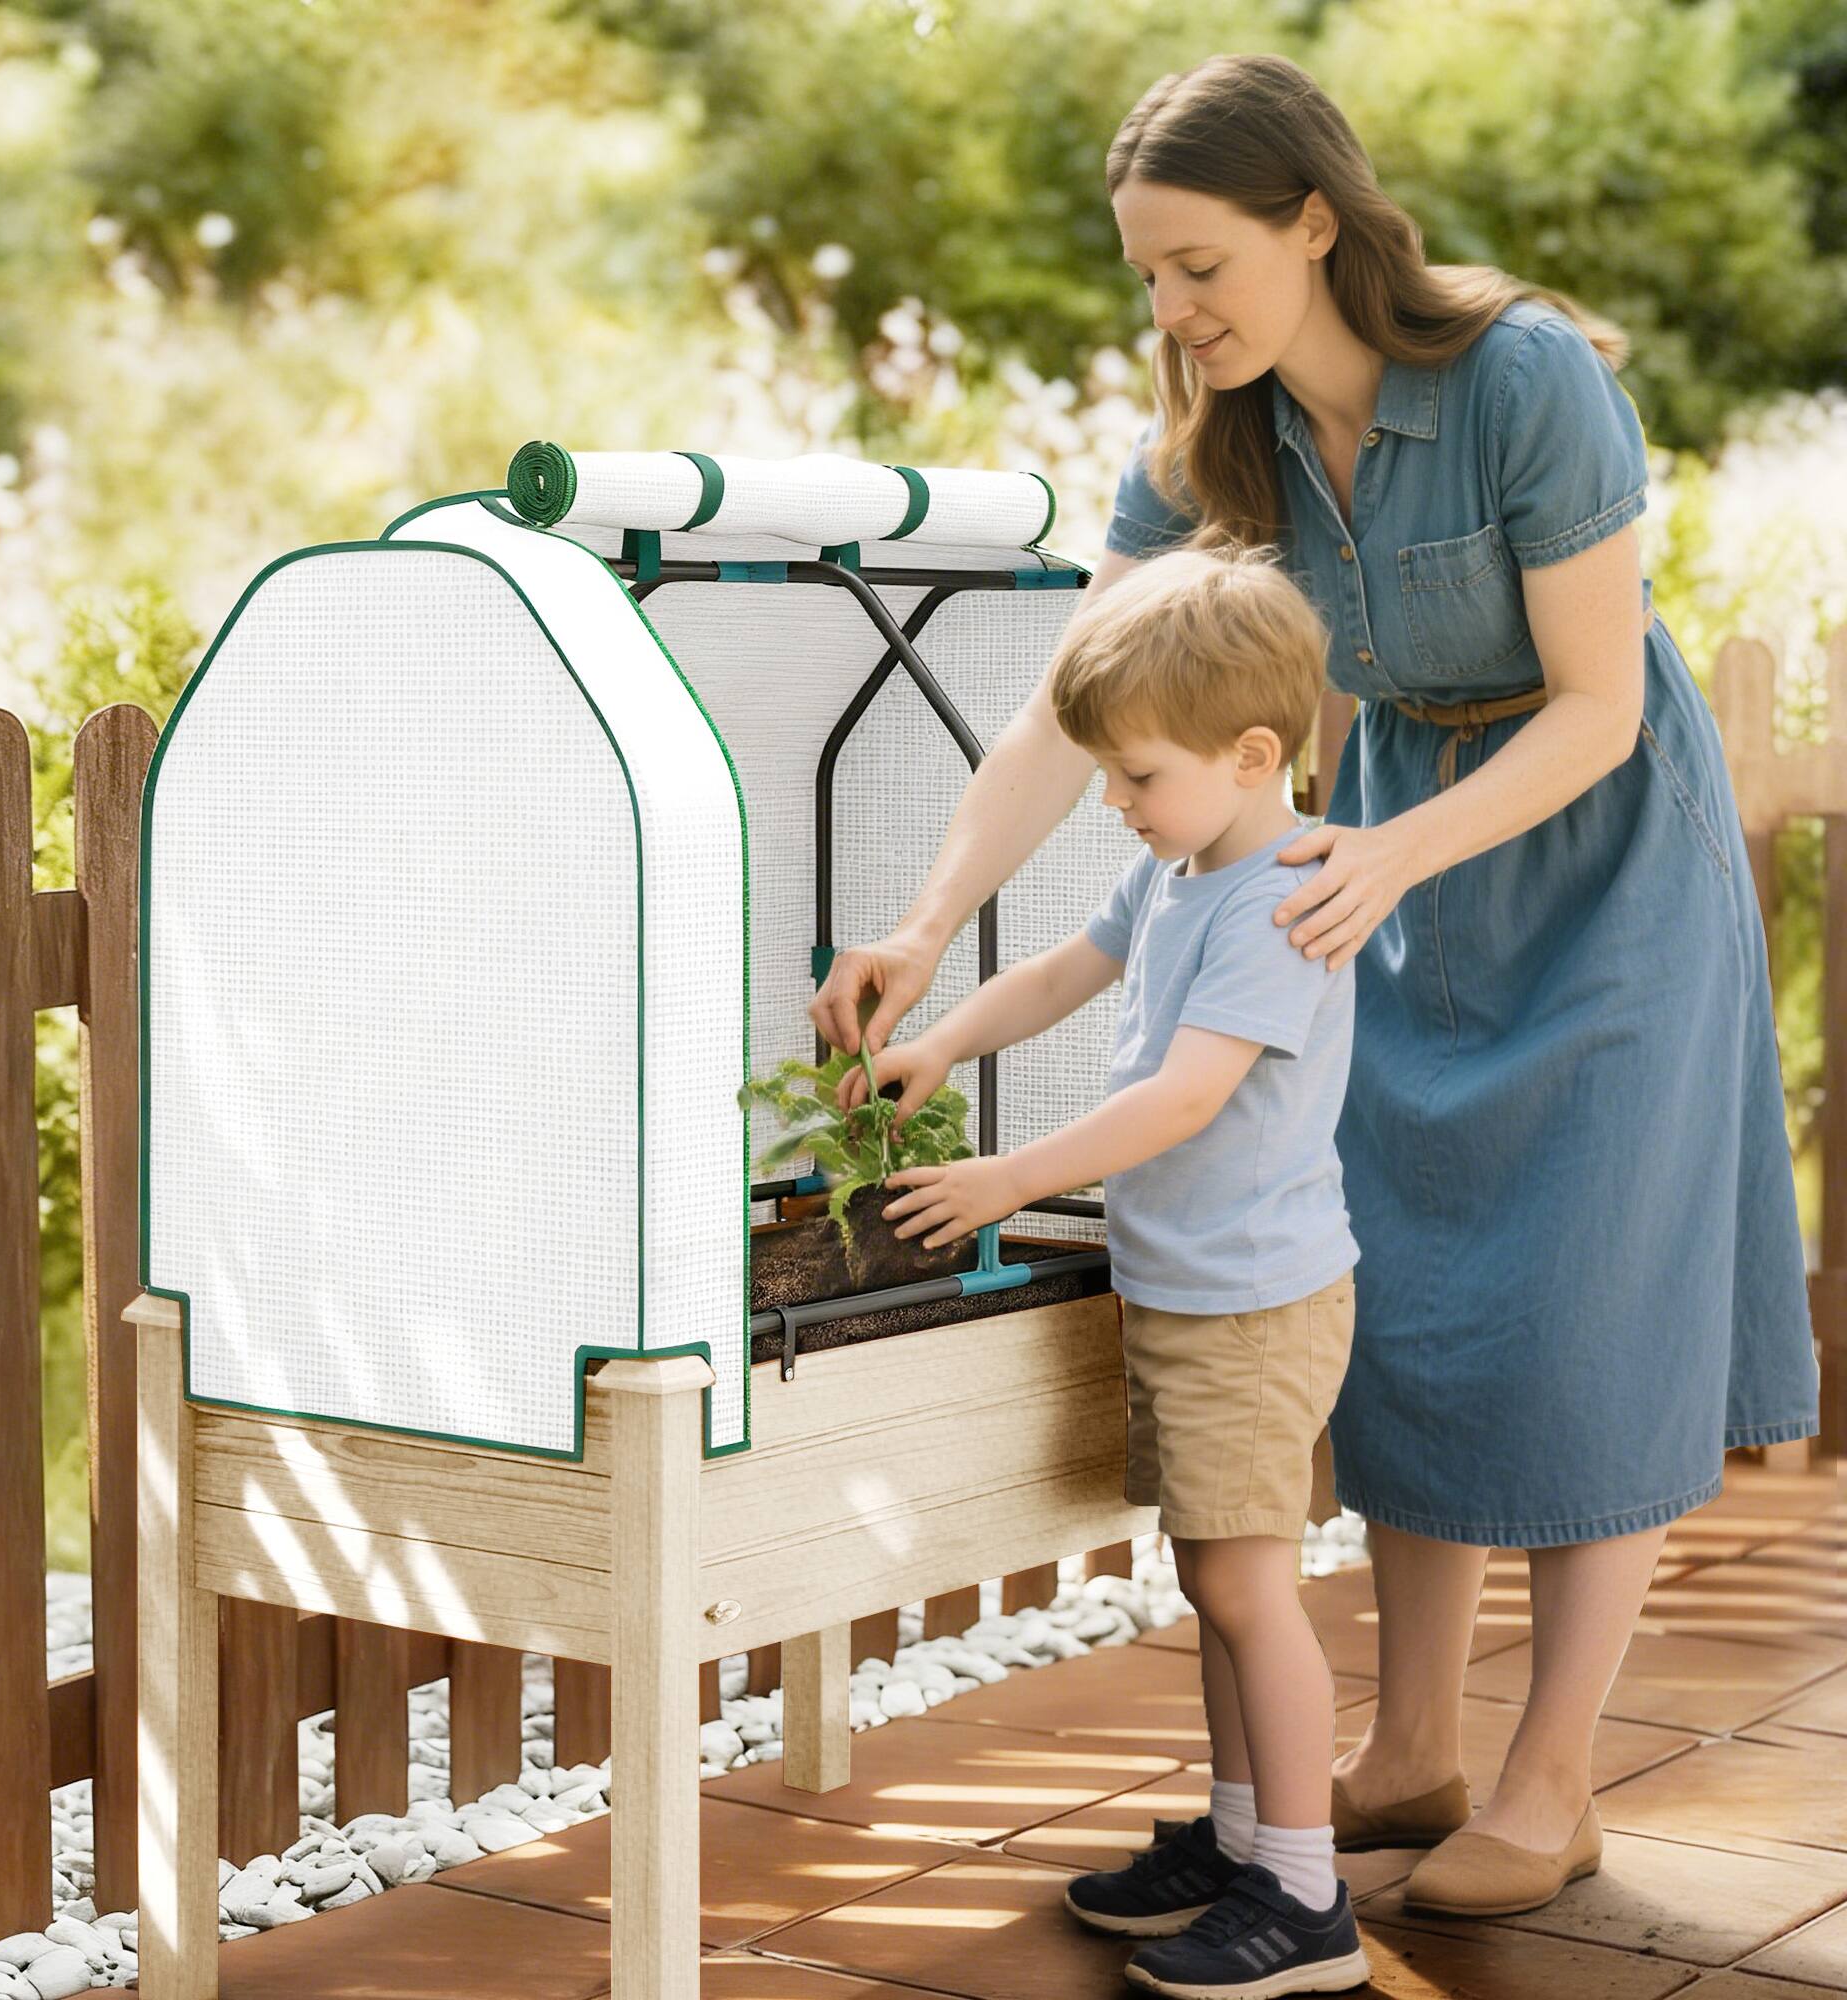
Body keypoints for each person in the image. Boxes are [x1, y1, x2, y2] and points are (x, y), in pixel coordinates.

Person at [814, 50, 1819, 1928]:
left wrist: (1392, 855)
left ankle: (1552, 1780)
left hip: (1582, 855)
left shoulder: (1523, 378)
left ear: (1314, 222)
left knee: (1585, 1308)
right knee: (1414, 1293)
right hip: (1373, 867)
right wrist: (932, 921)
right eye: (1146, 278)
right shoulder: (1215, 443)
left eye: (1200, 266)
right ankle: (1416, 1747)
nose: (1173, 315)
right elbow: (1073, 700)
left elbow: (1599, 704)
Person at [842, 544, 1369, 1998]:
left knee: (1256, 1592)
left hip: (1255, 1302)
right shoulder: (1190, 868)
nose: (1118, 807)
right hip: (1198, 1287)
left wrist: (1012, 1176)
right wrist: (946, 1034)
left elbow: (1184, 1099)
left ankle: (1307, 1901)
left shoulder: (1278, 900)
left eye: (1136, 777)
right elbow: (1069, 970)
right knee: (1217, 1579)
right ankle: (1248, 1840)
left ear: (1253, 753)